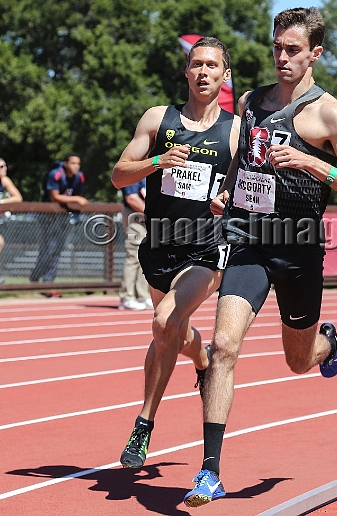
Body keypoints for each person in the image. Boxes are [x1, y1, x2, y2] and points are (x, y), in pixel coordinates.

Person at [183, 7, 337, 508]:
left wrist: (313, 161)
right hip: (249, 239)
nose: (281, 57)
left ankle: (326, 343)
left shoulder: (329, 113)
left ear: (315, 53)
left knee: (298, 361)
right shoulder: (249, 103)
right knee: (224, 346)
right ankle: (209, 472)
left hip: (299, 251)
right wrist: (226, 191)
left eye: (293, 50)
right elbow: (241, 161)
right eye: (276, 47)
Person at [111, 36, 239, 470]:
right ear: (186, 71)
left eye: (212, 66)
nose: (203, 72)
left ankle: (143, 425)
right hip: (159, 248)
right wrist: (156, 162)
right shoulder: (158, 119)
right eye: (196, 64)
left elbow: (250, 189)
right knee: (174, 334)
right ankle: (200, 358)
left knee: (164, 322)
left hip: (206, 249)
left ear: (225, 77)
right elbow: (117, 175)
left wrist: (228, 199)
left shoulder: (236, 130)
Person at [29, 152, 88, 292]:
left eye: (78, 164)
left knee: (57, 250)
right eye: (73, 163)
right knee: (47, 249)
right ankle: (36, 279)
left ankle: (48, 281)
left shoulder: (79, 177)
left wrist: (75, 202)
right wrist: (75, 200)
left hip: (63, 217)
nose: (76, 166)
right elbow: (54, 197)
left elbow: (79, 195)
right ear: (65, 163)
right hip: (47, 217)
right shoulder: (56, 174)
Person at [118, 177, 152, 310]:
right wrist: (152, 213)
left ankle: (142, 296)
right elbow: (131, 198)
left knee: (146, 256)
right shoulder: (135, 171)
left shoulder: (154, 169)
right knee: (134, 255)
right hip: (135, 215)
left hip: (147, 217)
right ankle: (127, 297)